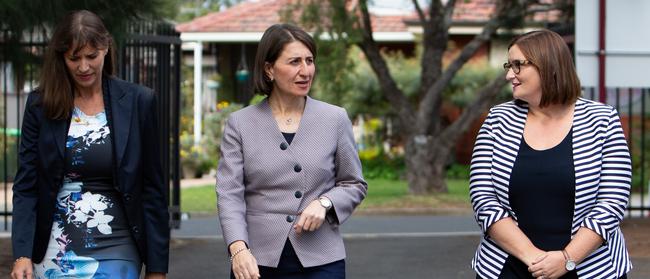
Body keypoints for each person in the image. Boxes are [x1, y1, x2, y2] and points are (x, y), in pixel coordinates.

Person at [11, 10, 169, 279]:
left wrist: (156, 269)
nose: (83, 67)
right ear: (62, 57)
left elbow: (152, 190)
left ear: (106, 48)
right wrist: (22, 254)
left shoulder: (139, 102)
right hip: (55, 247)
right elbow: (27, 185)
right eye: (74, 58)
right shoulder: (40, 105)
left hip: (118, 244)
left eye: (91, 56)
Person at [469, 29, 632, 279]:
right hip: (507, 268)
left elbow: (612, 202)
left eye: (517, 66)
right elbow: (483, 198)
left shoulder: (602, 120)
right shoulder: (497, 120)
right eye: (508, 65)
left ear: (547, 65)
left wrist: (567, 259)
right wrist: (535, 258)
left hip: (592, 268)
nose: (508, 75)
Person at [216, 23, 368, 279]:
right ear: (269, 69)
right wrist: (238, 249)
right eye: (294, 61)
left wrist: (325, 202)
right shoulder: (240, 124)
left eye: (309, 61)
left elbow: (354, 183)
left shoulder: (335, 118)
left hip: (322, 261)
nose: (305, 71)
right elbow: (229, 194)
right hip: (257, 262)